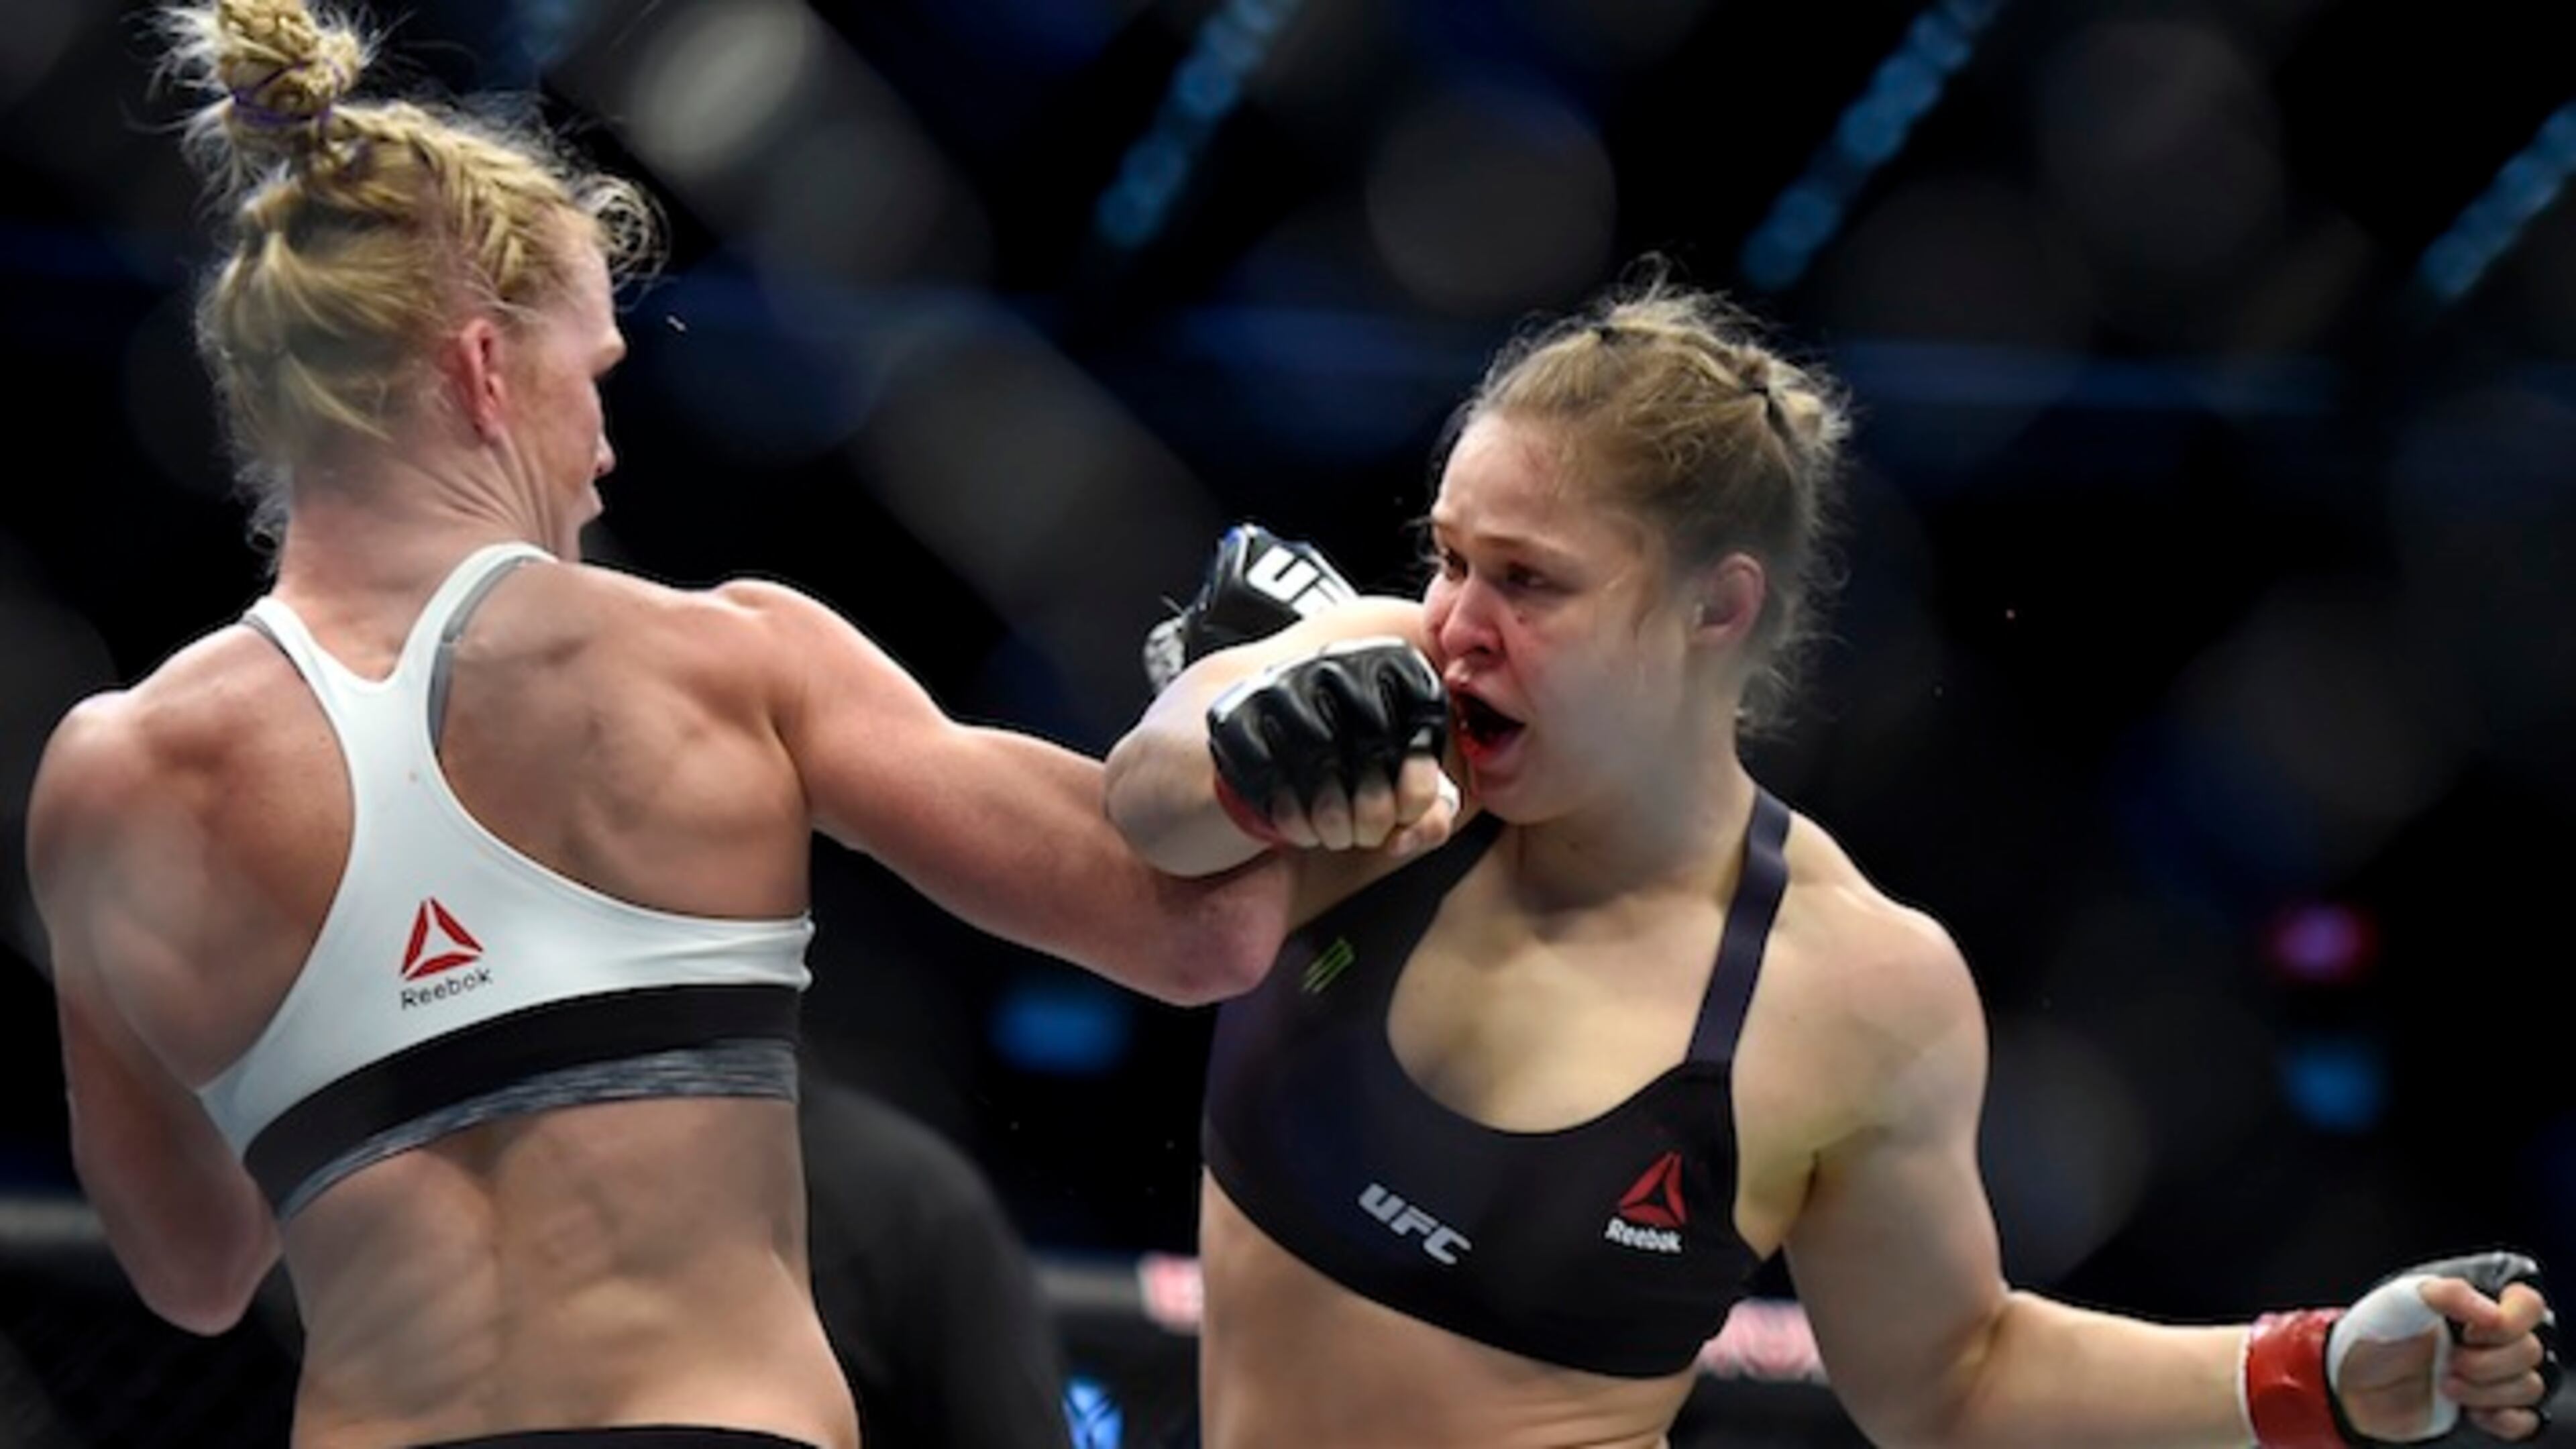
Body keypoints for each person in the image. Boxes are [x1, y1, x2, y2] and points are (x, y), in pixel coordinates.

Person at [19, 3, 1292, 1446]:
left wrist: (340, 1057)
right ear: (485, 372)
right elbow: (1195, 936)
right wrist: (1240, 703)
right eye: (596, 378)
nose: (607, 451)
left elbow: (192, 1272)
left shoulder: (114, 777)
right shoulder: (717, 663)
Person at [1103, 268, 2561, 1449]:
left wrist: (2307, 1377)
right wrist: (1239, 732)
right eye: (1449, 557)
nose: (1457, 622)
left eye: (1529, 580)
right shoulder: (1376, 705)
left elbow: (1955, 1377)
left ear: (1713, 610)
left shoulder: (1852, 986)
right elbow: (1147, 809)